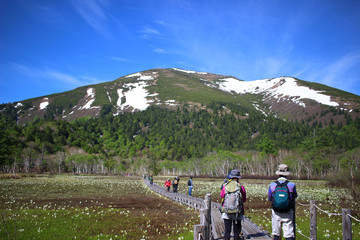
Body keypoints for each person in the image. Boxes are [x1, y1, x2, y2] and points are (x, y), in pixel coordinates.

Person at [268, 164, 297, 240]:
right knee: (289, 234)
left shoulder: (272, 185)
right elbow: (294, 196)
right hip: (288, 211)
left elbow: (270, 198)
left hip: (276, 211)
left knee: (276, 233)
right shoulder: (292, 185)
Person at [220, 169, 246, 240]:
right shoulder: (240, 186)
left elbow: (222, 195)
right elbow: (244, 199)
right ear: (238, 177)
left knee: (227, 231)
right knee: (236, 231)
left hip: (226, 210)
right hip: (237, 211)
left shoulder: (225, 185)